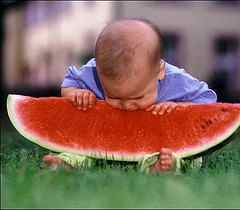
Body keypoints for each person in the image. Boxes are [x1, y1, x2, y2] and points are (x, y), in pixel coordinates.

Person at [43, 19, 217, 173]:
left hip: (160, 142)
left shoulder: (177, 80)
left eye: (137, 98)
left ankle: (167, 166)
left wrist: (180, 107)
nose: (126, 106)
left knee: (189, 154)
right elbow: (68, 83)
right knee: (80, 147)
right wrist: (76, 93)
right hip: (106, 137)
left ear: (159, 72)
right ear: (99, 72)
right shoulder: (93, 71)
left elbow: (208, 101)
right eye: (115, 98)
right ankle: (67, 162)